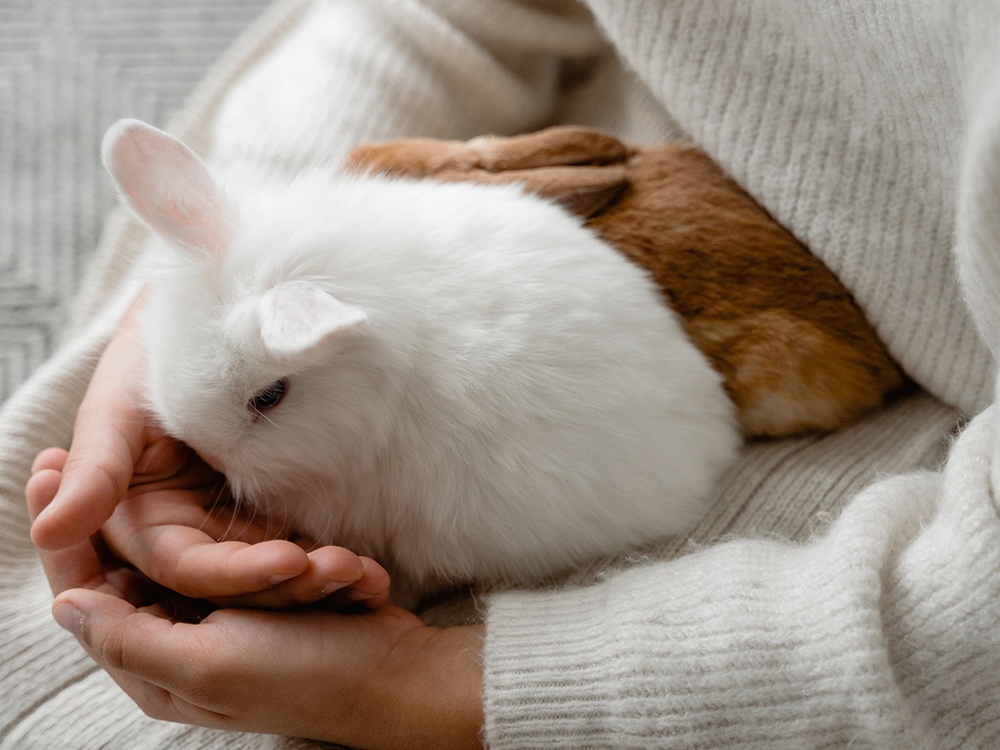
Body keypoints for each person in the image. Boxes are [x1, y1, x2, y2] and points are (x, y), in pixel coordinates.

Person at [21, 1, 1000, 747]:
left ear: (327, 338)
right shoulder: (296, 325)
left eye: (266, 397)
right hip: (562, 176)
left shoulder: (348, 352)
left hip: (819, 551)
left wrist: (426, 689)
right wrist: (250, 225)